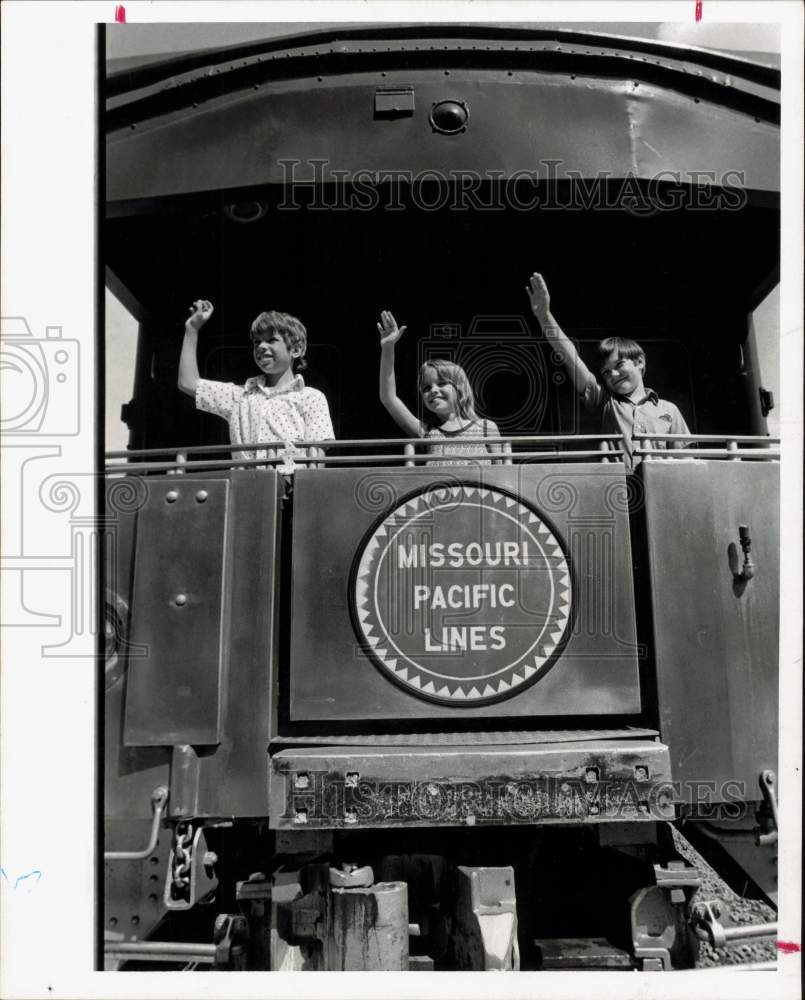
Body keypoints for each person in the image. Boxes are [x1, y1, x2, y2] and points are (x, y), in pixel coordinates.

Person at [525, 273, 690, 470]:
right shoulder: (604, 401)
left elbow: (686, 463)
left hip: (660, 486)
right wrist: (545, 317)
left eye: (619, 365)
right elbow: (571, 358)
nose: (613, 375)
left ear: (639, 362)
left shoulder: (669, 410)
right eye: (606, 372)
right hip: (617, 486)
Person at [178, 299, 334, 465]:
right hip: (246, 480)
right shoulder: (239, 396)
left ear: (296, 349)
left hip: (294, 480)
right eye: (257, 342)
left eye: (271, 340)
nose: (261, 346)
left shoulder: (311, 397)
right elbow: (188, 382)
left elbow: (317, 458)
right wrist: (192, 329)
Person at [376, 310, 500, 465]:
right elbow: (389, 398)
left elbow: (502, 473)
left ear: (460, 389)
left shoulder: (486, 428)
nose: (433, 390)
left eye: (441, 383)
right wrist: (388, 348)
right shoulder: (427, 432)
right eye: (426, 388)